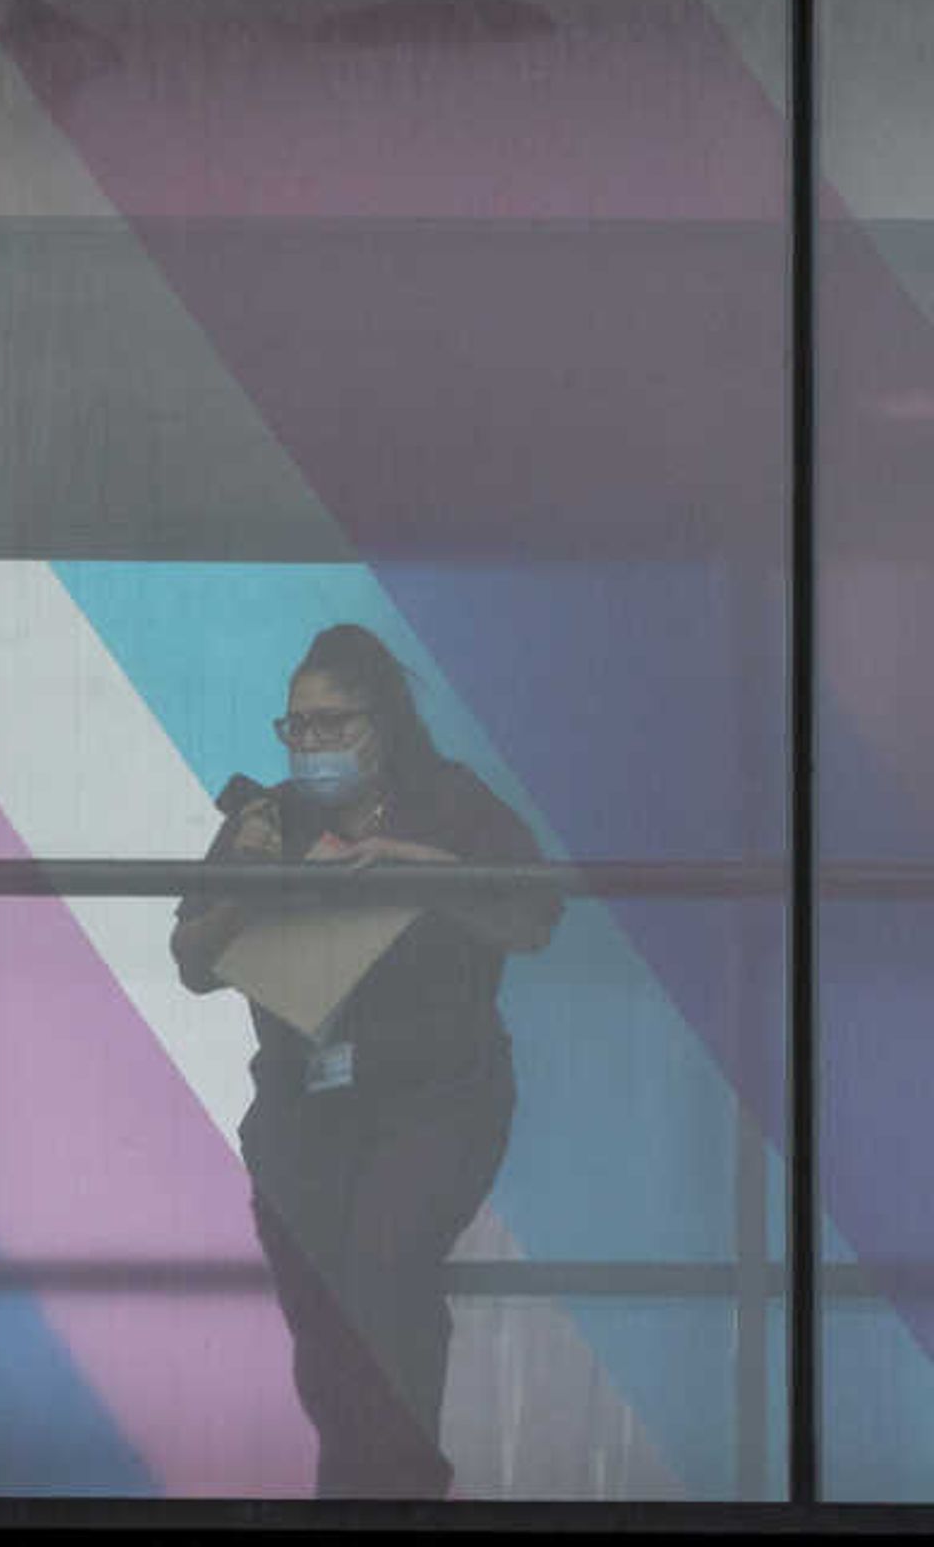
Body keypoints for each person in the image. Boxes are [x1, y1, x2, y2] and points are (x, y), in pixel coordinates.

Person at [170, 623, 562, 1500]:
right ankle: (363, 1486)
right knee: (321, 1311)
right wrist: (248, 886)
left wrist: (415, 866)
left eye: (331, 724)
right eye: (296, 727)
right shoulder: (266, 817)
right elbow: (191, 959)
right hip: (304, 1103)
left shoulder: (454, 804)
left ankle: (399, 1491)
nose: (310, 745)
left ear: (383, 723)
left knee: (387, 1274)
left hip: (436, 1096)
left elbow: (533, 921)